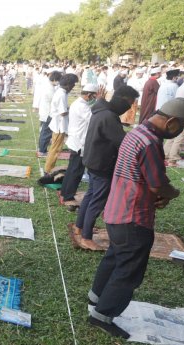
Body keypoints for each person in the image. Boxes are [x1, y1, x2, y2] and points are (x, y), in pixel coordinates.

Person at [87, 98, 184, 339]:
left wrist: (159, 193)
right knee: (129, 269)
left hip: (117, 210)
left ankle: (95, 298)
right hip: (133, 216)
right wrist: (172, 193)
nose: (182, 131)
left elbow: (143, 177)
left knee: (115, 256)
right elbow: (157, 184)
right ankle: (102, 315)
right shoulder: (149, 143)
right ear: (172, 122)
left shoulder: (137, 133)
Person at [74, 86, 139, 251]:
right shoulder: (109, 116)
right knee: (97, 201)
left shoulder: (101, 109)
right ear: (122, 99)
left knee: (90, 196)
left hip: (93, 160)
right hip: (102, 164)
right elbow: (123, 142)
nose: (129, 108)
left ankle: (79, 227)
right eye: (129, 103)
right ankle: (86, 237)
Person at [60, 84, 100, 205]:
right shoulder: (81, 106)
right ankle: (68, 196)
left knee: (72, 169)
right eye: (94, 96)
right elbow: (94, 118)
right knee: (76, 171)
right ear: (88, 95)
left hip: (76, 140)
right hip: (79, 142)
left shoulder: (81, 103)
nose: (94, 99)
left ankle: (65, 192)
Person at [44, 74, 77, 174]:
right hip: (59, 125)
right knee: (55, 149)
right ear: (68, 84)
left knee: (55, 148)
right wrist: (73, 110)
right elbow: (63, 112)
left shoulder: (62, 92)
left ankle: (48, 168)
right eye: (73, 84)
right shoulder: (62, 94)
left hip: (59, 124)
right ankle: (48, 170)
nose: (73, 86)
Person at [37, 71, 62, 156]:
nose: (58, 82)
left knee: (44, 131)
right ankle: (42, 150)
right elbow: (54, 102)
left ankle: (41, 148)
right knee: (46, 133)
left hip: (45, 111)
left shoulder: (49, 86)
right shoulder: (50, 89)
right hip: (48, 113)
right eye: (58, 80)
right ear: (54, 79)